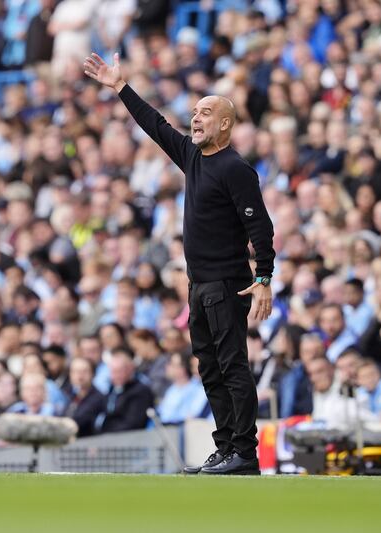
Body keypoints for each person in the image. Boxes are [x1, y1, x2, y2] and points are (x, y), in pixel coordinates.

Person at [84, 53, 274, 475]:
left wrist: (264, 276)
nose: (196, 118)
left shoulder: (235, 168)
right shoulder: (191, 156)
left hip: (228, 284)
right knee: (209, 370)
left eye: (206, 112)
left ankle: (245, 451)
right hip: (197, 286)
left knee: (232, 367)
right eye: (194, 112)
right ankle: (225, 448)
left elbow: (260, 226)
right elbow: (155, 126)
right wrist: (120, 87)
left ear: (225, 123)